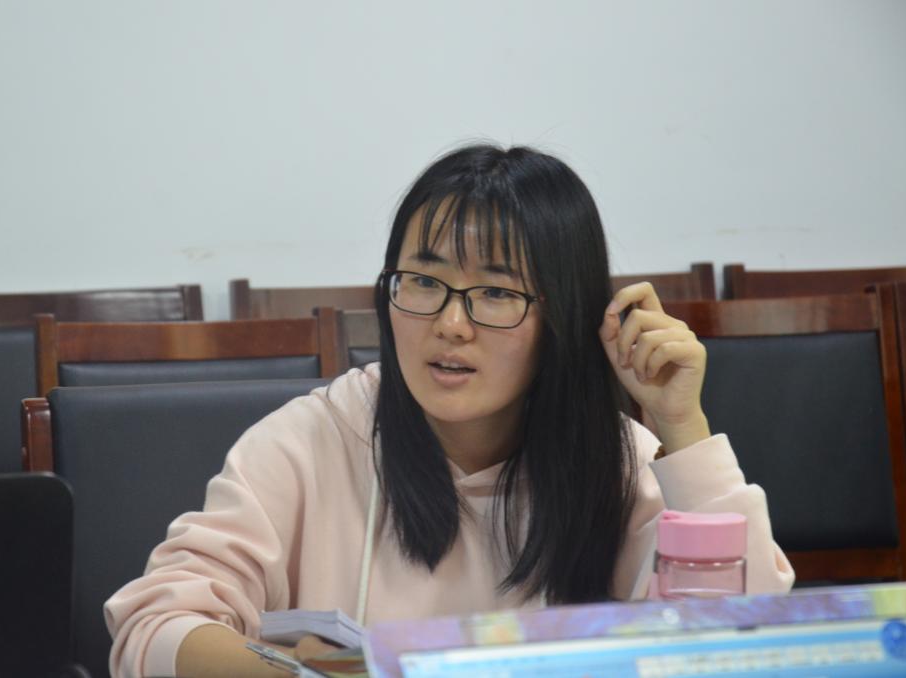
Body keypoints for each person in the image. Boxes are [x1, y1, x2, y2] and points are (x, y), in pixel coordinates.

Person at [105, 144, 794, 678]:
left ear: (564, 314)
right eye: (423, 281)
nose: (450, 324)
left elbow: (741, 643)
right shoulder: (311, 440)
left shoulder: (615, 461)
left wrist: (681, 428)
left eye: (496, 292)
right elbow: (155, 626)